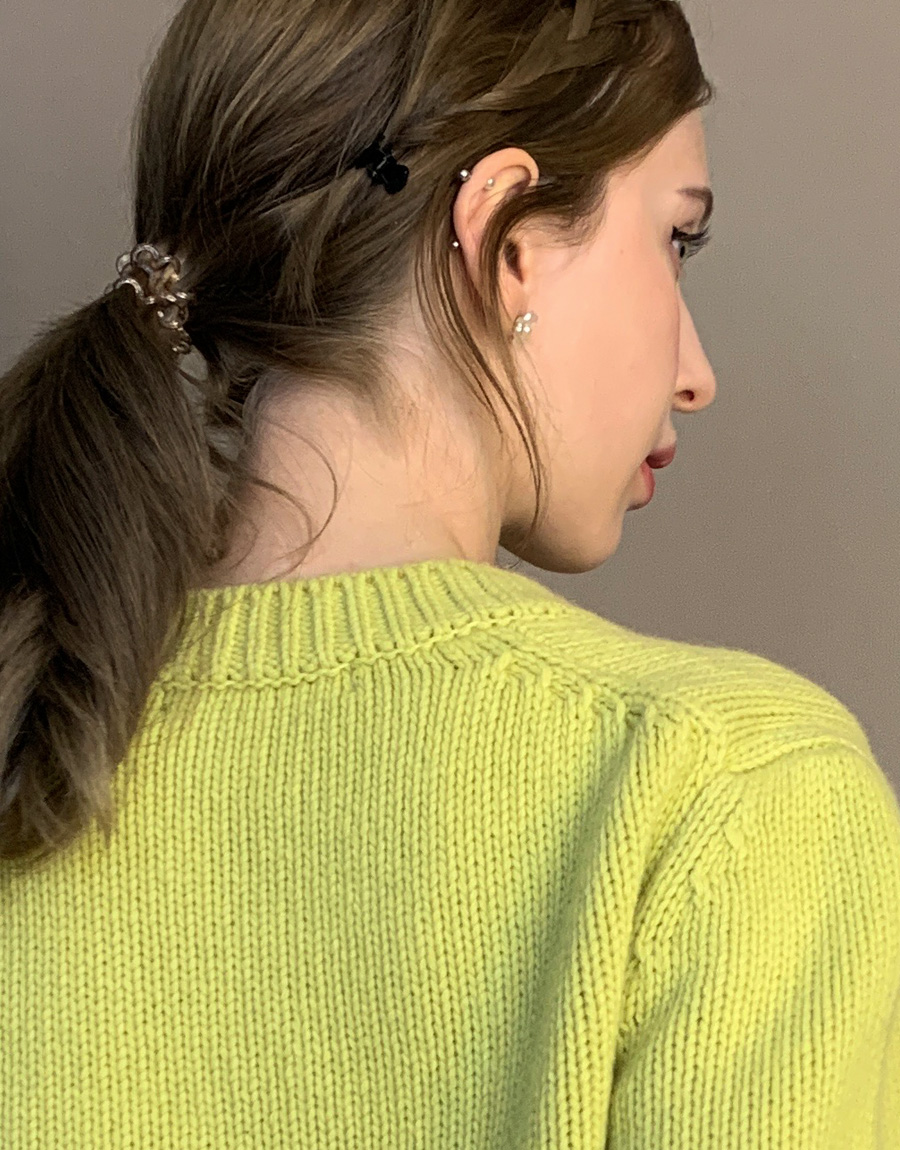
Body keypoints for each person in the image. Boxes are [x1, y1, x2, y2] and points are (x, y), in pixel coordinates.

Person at [1, 0, 898, 1145]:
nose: (697, 371)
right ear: (507, 234)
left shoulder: (28, 727)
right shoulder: (734, 800)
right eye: (677, 238)